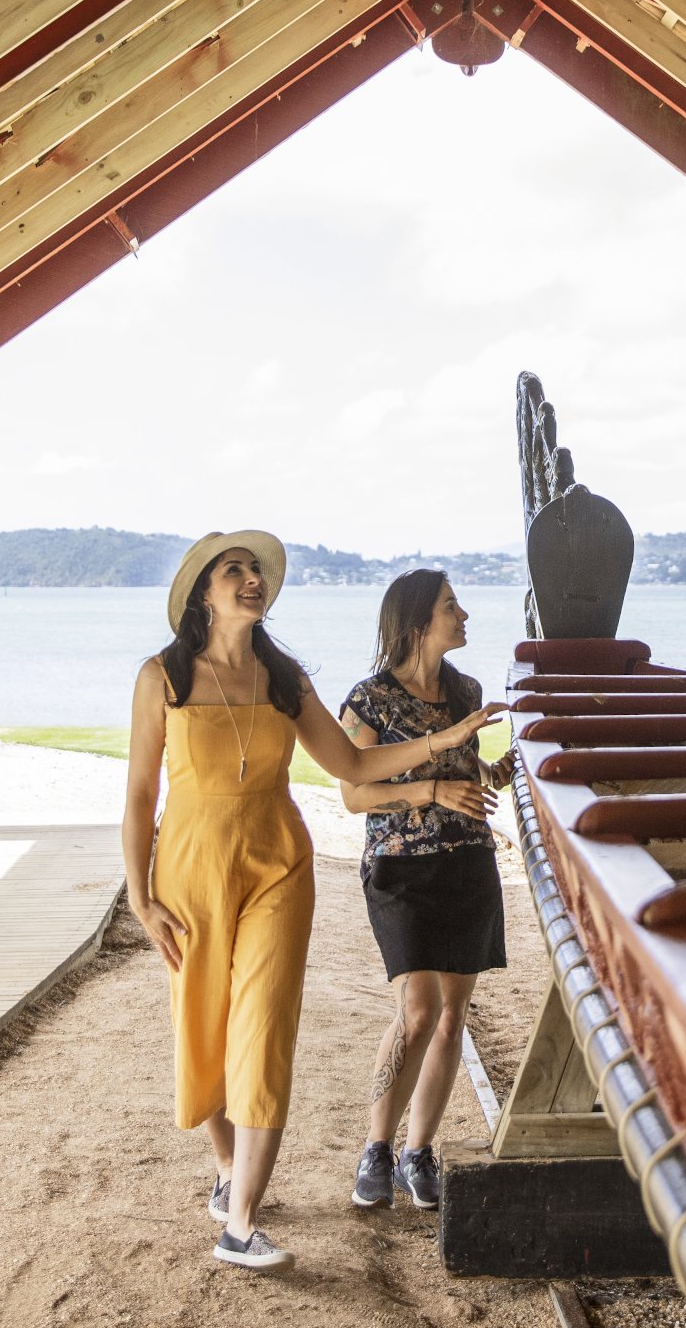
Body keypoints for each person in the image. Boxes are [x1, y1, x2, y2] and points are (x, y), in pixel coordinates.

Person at [125, 532, 497, 1274]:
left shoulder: (284, 676)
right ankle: (229, 1171)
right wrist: (141, 896)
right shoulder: (161, 675)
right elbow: (139, 794)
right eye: (235, 570)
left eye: (256, 569)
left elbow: (352, 763)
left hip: (277, 862)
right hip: (190, 865)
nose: (252, 579)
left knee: (263, 1027)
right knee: (205, 1023)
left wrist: (448, 738)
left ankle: (241, 1222)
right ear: (203, 591)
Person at [334, 569, 518, 1214]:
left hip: (469, 862)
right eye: (450, 606)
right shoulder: (369, 701)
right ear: (417, 622)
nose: (463, 614)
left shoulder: (464, 690)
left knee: (451, 1016)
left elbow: (467, 769)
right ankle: (376, 1148)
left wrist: (500, 769)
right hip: (401, 869)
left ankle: (418, 1152)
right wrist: (433, 790)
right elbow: (355, 794)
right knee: (418, 1013)